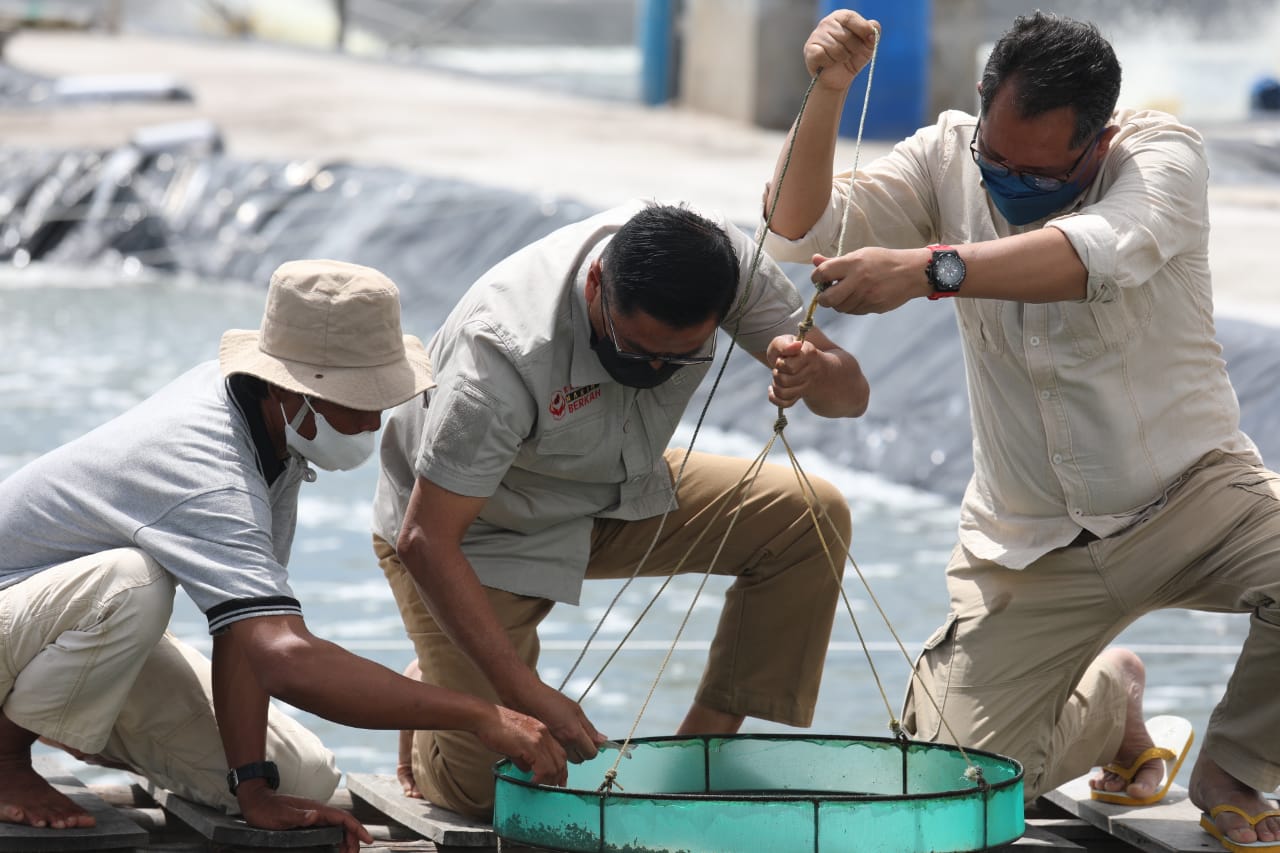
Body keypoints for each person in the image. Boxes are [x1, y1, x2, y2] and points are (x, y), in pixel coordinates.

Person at [762, 8, 1280, 850]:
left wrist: (929, 270)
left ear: (1098, 141)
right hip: (1030, 541)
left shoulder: (1164, 156)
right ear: (981, 108)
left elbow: (1093, 253)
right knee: (945, 794)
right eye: (995, 161)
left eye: (1037, 174)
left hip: (1195, 500)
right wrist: (826, 92)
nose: (1008, 181)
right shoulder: (945, 154)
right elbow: (797, 229)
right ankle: (1112, 701)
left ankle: (1238, 765)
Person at [0, 259, 565, 850]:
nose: (372, 420)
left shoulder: (273, 433)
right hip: (56, 617)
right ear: (288, 387)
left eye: (380, 397)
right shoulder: (211, 468)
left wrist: (253, 790)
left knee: (305, 777)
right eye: (355, 399)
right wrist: (480, 714)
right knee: (133, 584)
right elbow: (285, 655)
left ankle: (67, 714)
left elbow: (249, 635)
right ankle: (9, 759)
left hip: (66, 638)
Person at [372, 200, 868, 819]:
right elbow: (426, 539)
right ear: (596, 283)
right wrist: (529, 695)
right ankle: (433, 699)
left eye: (677, 359)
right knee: (493, 794)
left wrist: (817, 372)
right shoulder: (500, 353)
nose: (654, 369)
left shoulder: (724, 268)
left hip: (618, 485)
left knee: (809, 517)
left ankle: (694, 761)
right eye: (635, 351)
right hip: (475, 532)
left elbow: (851, 398)